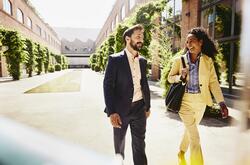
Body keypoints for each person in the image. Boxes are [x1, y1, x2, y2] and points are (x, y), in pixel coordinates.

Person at [168, 27, 229, 165]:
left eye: (192, 41)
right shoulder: (180, 61)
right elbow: (170, 78)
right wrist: (180, 76)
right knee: (195, 137)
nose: (189, 44)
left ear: (200, 42)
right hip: (185, 102)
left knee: (190, 131)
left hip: (201, 103)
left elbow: (213, 83)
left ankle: (181, 152)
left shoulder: (207, 61)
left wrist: (222, 103)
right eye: (187, 42)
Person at [103, 24, 151, 165]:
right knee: (119, 147)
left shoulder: (142, 61)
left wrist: (147, 107)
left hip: (139, 109)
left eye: (142, 37)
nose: (140, 39)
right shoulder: (115, 59)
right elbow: (107, 86)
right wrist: (111, 112)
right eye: (137, 37)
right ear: (127, 39)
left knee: (140, 146)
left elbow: (144, 85)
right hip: (120, 111)